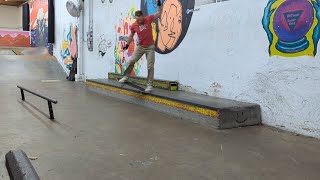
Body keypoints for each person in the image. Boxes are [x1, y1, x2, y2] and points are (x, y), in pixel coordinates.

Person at [118, 0, 163, 93]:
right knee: (131, 61)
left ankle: (149, 85)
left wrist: (159, 3)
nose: (138, 21)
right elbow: (131, 36)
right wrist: (127, 45)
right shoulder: (134, 25)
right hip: (140, 47)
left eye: (140, 19)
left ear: (143, 16)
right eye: (137, 20)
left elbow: (159, 12)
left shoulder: (148, 19)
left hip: (150, 47)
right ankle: (126, 76)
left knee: (150, 66)